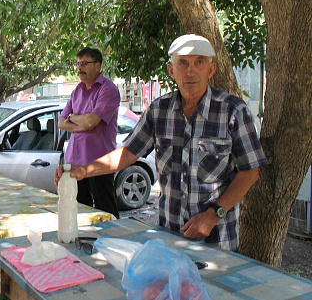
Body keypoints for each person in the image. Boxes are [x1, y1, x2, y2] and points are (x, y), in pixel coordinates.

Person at [56, 34, 268, 251]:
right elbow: (127, 154)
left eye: (199, 63)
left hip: (217, 240)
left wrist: (215, 214)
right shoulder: (159, 110)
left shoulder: (233, 111)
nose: (190, 71)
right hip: (168, 236)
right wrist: (82, 170)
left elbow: (250, 171)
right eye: (183, 63)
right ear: (171, 70)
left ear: (211, 70)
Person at [58, 47, 120, 218]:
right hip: (74, 161)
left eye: (84, 63)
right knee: (80, 213)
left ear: (97, 65)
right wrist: (82, 123)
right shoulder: (77, 90)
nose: (79, 68)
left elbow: (92, 121)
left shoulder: (108, 89)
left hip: (99, 163)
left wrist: (74, 118)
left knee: (106, 213)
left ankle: (112, 243)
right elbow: (61, 122)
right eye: (78, 64)